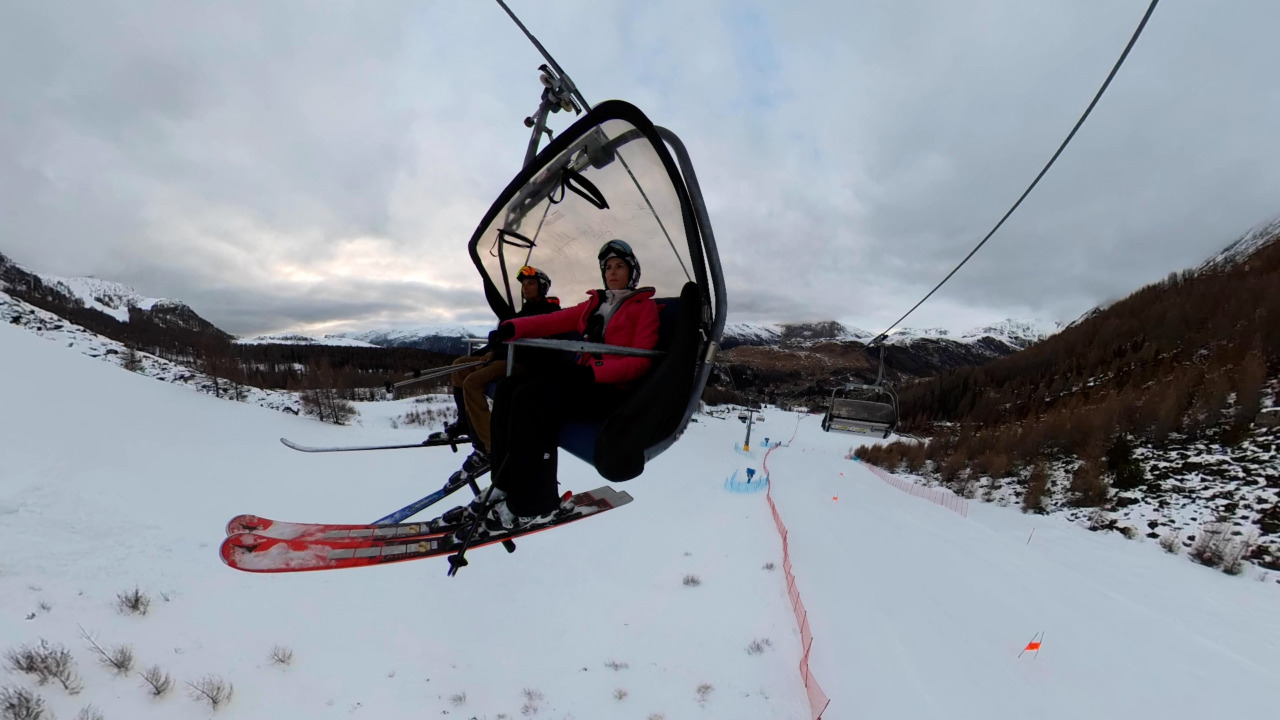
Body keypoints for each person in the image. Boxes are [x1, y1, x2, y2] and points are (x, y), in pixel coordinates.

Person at [475, 239, 660, 532]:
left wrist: (595, 372)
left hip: (612, 389)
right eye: (608, 267)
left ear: (632, 273)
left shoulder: (644, 308)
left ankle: (535, 503)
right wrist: (512, 328)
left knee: (532, 399)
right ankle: (504, 481)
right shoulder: (595, 303)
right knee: (510, 388)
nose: (612, 272)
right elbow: (553, 320)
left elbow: (641, 361)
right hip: (582, 379)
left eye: (619, 266)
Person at [430, 265, 560, 480]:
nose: (525, 288)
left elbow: (530, 345)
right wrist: (491, 352)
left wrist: (495, 355)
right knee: (459, 366)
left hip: (525, 363)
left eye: (531, 283)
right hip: (507, 357)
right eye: (524, 284)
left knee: (473, 382)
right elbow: (511, 336)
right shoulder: (524, 311)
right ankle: (465, 422)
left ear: (542, 287)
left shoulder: (549, 312)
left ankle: (490, 448)